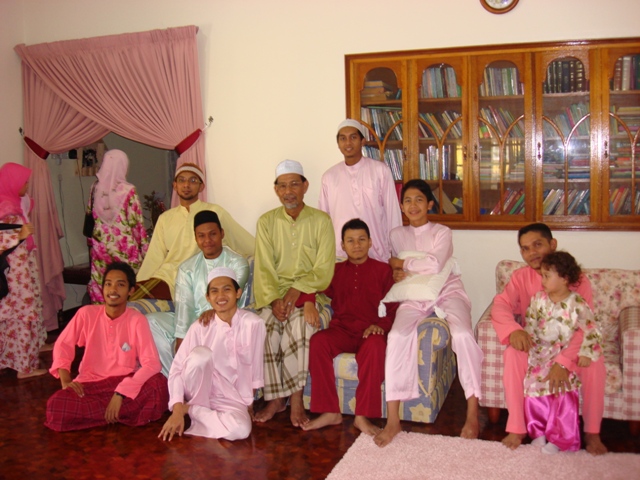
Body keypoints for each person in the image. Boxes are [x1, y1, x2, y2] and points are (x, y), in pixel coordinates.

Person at [375, 179, 483, 447]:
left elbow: (434, 265)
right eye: (407, 201)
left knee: (463, 334)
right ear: (401, 206)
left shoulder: (442, 232)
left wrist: (402, 262)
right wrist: (396, 268)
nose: (413, 205)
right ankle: (393, 419)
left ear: (430, 204)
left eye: (419, 200)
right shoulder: (395, 235)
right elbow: (401, 269)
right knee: (397, 336)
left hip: (447, 290)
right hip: (414, 295)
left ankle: (472, 410)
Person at [491, 222, 608, 455]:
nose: (531, 253)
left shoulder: (575, 279)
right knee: (513, 354)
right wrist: (514, 330)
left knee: (595, 363)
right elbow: (501, 304)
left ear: (552, 244)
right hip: (540, 343)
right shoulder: (520, 277)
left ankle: (592, 432)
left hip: (570, 345)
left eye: (537, 245)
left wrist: (563, 362)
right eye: (525, 248)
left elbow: (585, 327)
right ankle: (517, 428)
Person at [253, 160, 335, 426]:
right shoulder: (266, 222)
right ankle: (276, 398)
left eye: (294, 185)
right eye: (283, 186)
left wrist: (298, 290)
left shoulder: (321, 221)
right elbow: (263, 267)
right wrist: (274, 300)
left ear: (305, 186)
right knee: (263, 326)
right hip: (275, 296)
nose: (288, 192)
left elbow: (324, 269)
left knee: (302, 326)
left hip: (312, 296)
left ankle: (296, 399)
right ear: (276, 190)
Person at [45, 262, 168, 432]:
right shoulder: (86, 314)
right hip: (91, 385)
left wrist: (120, 394)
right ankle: (118, 413)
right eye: (108, 284)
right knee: (56, 406)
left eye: (120, 285)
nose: (113, 290)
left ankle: (108, 411)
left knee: (159, 384)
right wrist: (65, 380)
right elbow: (63, 344)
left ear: (131, 291)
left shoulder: (137, 320)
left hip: (124, 382)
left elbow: (152, 363)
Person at [302, 219, 398, 435]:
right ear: (343, 245)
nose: (357, 245)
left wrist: (379, 326)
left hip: (370, 332)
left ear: (370, 242)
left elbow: (393, 308)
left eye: (361, 239)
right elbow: (311, 283)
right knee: (318, 342)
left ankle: (362, 416)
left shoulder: (383, 271)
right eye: (351, 241)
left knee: (375, 347)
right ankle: (330, 412)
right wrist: (309, 302)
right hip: (342, 330)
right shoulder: (334, 270)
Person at [158, 267, 266, 442]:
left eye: (227, 289)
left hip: (232, 396)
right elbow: (177, 370)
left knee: (241, 430)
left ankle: (192, 410)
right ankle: (196, 408)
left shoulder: (254, 324)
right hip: (199, 390)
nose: (221, 295)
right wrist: (176, 408)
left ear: (238, 293)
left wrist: (249, 404)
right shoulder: (200, 326)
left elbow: (256, 368)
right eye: (214, 291)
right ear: (208, 297)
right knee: (201, 355)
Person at [146, 210, 250, 376]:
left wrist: (214, 313)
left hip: (228, 319)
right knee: (151, 322)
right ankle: (173, 377)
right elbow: (184, 306)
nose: (207, 240)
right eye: (201, 236)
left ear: (222, 234)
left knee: (214, 324)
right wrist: (181, 341)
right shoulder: (187, 268)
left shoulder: (238, 263)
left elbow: (231, 300)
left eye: (212, 234)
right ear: (195, 238)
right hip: (194, 321)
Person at [134, 163, 254, 300]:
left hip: (197, 279)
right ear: (175, 185)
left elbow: (244, 242)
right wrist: (139, 283)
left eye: (193, 180)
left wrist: (268, 259)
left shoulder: (215, 213)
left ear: (201, 186)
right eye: (182, 180)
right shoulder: (165, 218)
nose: (186, 185)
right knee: (130, 297)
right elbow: (154, 257)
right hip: (166, 277)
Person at [524, 251, 601, 454]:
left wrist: (586, 353)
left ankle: (562, 439)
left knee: (561, 392)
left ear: (565, 278)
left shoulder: (577, 303)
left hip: (564, 353)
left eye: (547, 276)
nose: (542, 280)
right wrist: (528, 341)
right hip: (540, 353)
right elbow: (530, 323)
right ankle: (538, 432)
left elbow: (591, 329)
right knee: (533, 388)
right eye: (542, 275)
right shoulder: (538, 299)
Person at [319, 119, 402, 262]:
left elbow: (392, 213)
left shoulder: (380, 171)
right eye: (343, 138)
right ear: (338, 144)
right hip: (341, 255)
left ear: (362, 141)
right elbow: (323, 220)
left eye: (353, 137)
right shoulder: (329, 177)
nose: (348, 143)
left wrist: (395, 252)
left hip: (376, 252)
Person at [0, 163, 47, 378]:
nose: (26, 185)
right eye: (24, 182)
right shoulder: (7, 208)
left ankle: (14, 358)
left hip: (20, 270)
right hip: (15, 274)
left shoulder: (12, 204)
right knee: (22, 314)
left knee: (18, 315)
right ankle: (24, 367)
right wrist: (19, 235)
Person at [87, 149, 148, 303]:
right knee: (126, 286)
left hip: (101, 248)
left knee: (104, 284)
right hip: (124, 249)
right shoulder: (128, 190)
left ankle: (103, 316)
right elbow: (136, 224)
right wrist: (145, 251)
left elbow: (90, 217)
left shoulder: (95, 188)